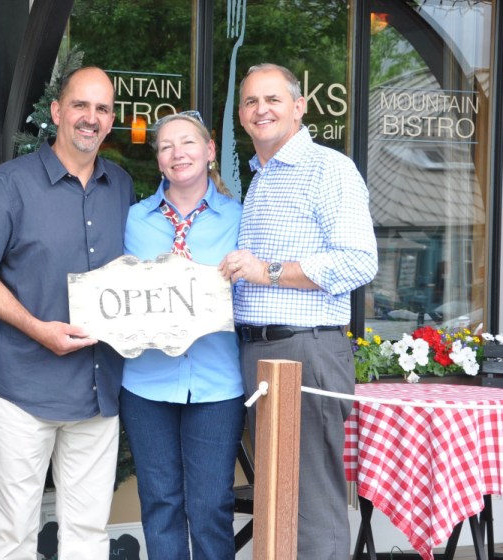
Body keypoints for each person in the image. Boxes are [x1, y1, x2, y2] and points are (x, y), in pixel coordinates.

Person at [0, 66, 136, 560]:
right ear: (57, 112)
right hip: (24, 389)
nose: (90, 118)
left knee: (88, 535)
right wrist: (38, 329)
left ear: (111, 119)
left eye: (102, 109)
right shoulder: (10, 184)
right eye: (80, 105)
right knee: (14, 535)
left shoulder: (120, 185)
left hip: (98, 390)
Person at [219, 63, 378, 559]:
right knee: (276, 498)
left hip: (305, 348)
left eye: (272, 99)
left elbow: (358, 262)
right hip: (258, 352)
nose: (260, 110)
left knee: (310, 501)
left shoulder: (328, 168)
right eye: (250, 102)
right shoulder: (258, 175)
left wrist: (266, 270)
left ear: (298, 107)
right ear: (241, 116)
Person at [121, 111, 246, 560]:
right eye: (167, 147)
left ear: (210, 151)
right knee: (160, 504)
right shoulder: (134, 220)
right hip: (146, 383)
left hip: (216, 382)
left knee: (211, 505)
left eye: (188, 143)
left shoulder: (241, 218)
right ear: (158, 161)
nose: (178, 154)